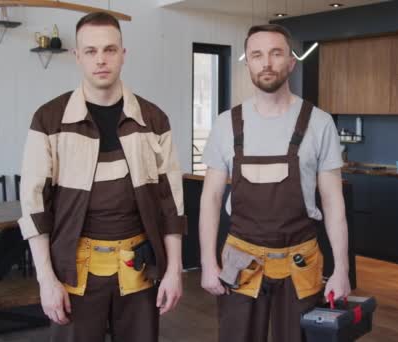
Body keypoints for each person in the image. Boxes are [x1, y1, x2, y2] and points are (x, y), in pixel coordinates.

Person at [18, 12, 186, 342]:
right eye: (91, 51)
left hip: (138, 269)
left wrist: (174, 271)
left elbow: (172, 204)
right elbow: (34, 206)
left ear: (124, 54)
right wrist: (46, 280)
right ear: (77, 56)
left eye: (110, 50)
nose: (101, 60)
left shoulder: (153, 119)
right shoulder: (49, 119)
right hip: (74, 271)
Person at [199, 24, 351, 342]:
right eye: (257, 54)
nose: (266, 62)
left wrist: (341, 269)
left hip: (301, 262)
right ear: (248, 63)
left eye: (276, 53)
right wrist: (207, 262)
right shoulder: (226, 124)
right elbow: (211, 198)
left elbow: (334, 202)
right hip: (239, 259)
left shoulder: (320, 123)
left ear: (291, 62)